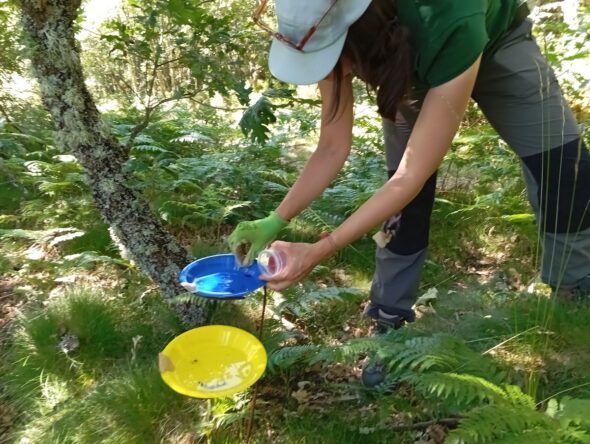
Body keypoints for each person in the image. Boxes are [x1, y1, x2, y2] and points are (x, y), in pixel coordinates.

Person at [228, 0, 590, 330]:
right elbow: (331, 147)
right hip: (403, 61)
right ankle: (388, 316)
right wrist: (277, 218)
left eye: (328, 55)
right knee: (404, 208)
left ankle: (572, 285)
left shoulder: (448, 14)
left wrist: (320, 250)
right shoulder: (323, 21)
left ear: (358, 32)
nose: (329, 70)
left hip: (496, 41)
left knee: (564, 165)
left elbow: (410, 175)